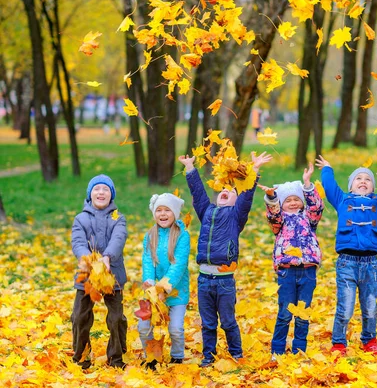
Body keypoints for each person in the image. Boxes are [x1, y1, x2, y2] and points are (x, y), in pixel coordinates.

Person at [179, 151, 272, 367]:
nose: (225, 191)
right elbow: (199, 193)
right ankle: (208, 356)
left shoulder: (236, 216)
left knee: (228, 321)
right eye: (222, 189)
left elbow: (247, 195)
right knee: (208, 322)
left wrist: (254, 170)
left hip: (225, 281)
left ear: (236, 200)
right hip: (204, 280)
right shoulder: (207, 212)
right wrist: (190, 168)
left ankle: (236, 353)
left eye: (230, 191)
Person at [315, 155, 377, 355]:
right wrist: (327, 168)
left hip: (370, 263)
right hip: (347, 263)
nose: (363, 182)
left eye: (368, 179)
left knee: (370, 306)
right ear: (351, 186)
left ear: (373, 187)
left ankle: (369, 340)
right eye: (358, 179)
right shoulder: (343, 199)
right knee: (346, 306)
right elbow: (329, 186)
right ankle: (339, 342)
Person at [258, 163, 323, 356]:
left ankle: (299, 351)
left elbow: (316, 207)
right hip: (286, 270)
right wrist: (272, 197)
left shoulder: (309, 218)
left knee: (303, 313)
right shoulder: (280, 221)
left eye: (297, 199)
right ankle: (277, 351)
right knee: (285, 313)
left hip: (307, 269)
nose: (293, 203)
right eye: (288, 200)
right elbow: (273, 214)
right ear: (282, 204)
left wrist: (307, 185)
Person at [71, 174, 128, 369]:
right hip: (87, 275)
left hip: (113, 274)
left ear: (111, 195)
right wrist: (90, 260)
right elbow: (78, 242)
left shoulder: (118, 218)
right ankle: (81, 356)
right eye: (97, 189)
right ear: (90, 194)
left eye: (105, 189)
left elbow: (118, 239)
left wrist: (107, 257)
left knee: (116, 318)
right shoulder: (81, 219)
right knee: (80, 316)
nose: (101, 192)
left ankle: (116, 357)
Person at [138, 193, 190, 369]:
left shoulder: (182, 235)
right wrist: (149, 281)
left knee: (175, 328)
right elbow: (147, 260)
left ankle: (177, 356)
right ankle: (151, 356)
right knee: (144, 325)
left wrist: (164, 288)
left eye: (167, 210)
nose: (163, 214)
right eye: (159, 210)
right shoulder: (150, 235)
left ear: (175, 213)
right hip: (153, 293)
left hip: (175, 291)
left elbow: (179, 264)